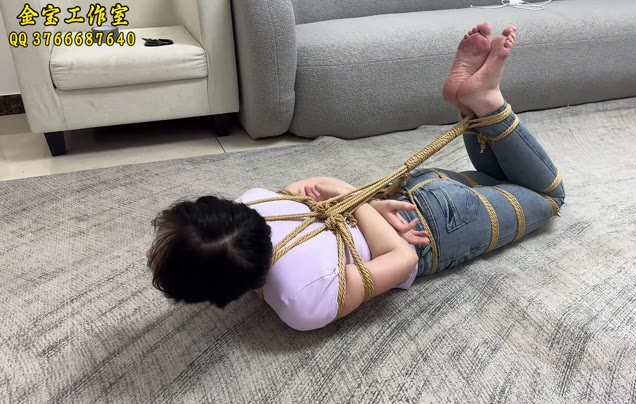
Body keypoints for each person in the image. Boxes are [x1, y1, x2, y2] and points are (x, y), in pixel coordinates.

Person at [146, 23, 565, 331]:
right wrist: (356, 199)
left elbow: (401, 259)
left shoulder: (299, 301)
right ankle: (471, 104)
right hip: (405, 193)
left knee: (550, 197)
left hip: (436, 229)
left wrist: (367, 207)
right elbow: (314, 188)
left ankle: (485, 100)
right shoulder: (253, 203)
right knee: (497, 176)